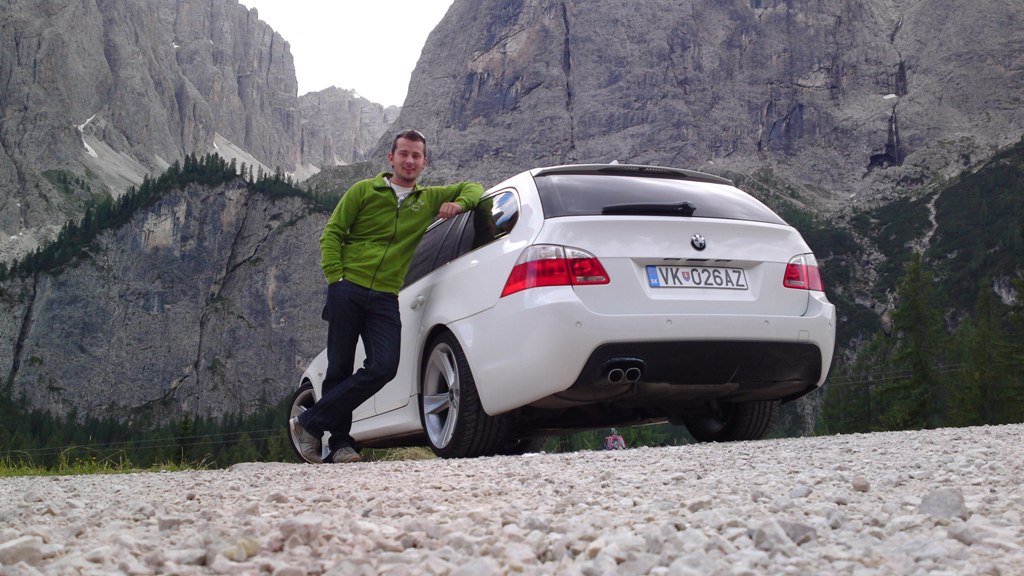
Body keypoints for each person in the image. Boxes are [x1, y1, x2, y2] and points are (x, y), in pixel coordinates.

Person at [290, 129, 483, 464]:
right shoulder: (363, 190)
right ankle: (340, 444)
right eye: (403, 154)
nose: (409, 161)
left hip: (384, 297)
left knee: (384, 366)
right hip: (347, 288)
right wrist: (336, 278)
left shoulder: (427, 199)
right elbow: (332, 233)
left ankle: (310, 421)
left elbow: (474, 188)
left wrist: (459, 203)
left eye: (416, 156)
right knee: (339, 367)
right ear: (391, 157)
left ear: (424, 162)